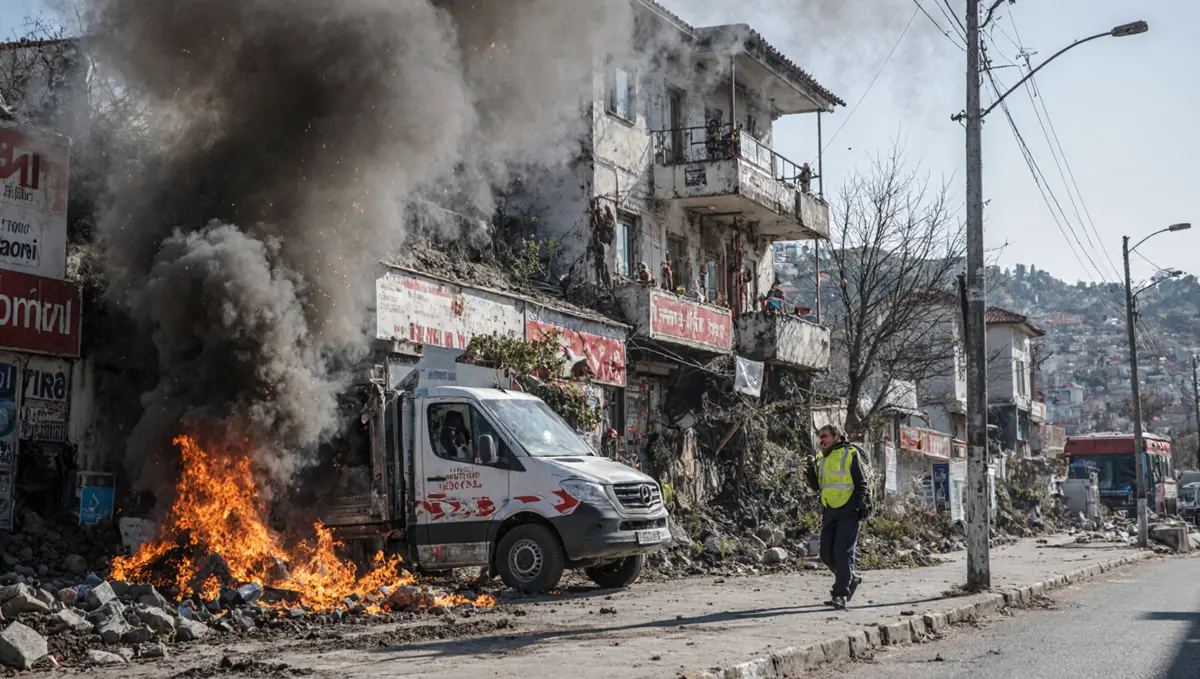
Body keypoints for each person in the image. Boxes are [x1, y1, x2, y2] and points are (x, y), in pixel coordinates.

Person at [804, 424, 871, 609]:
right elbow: (816, 487)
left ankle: (840, 594)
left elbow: (861, 483)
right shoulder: (820, 458)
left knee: (842, 552)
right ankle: (851, 578)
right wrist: (809, 470)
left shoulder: (849, 454)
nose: (821, 440)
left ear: (836, 437)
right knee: (825, 553)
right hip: (829, 509)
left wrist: (861, 505)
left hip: (849, 509)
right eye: (819, 437)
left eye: (824, 436)